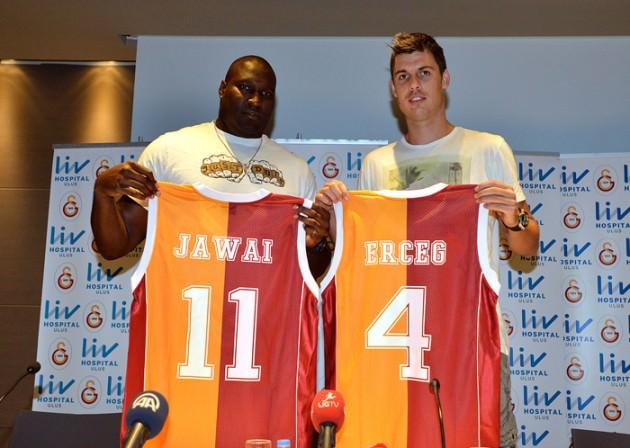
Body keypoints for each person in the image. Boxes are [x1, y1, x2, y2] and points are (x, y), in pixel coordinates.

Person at [317, 32, 540, 448]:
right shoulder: (376, 164)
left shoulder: (488, 148)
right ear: (393, 88)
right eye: (403, 77)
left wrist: (515, 216)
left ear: (445, 79)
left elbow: (528, 247)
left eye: (424, 73)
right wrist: (335, 223)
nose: (414, 85)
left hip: (474, 340)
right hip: (398, 347)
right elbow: (365, 261)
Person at [91, 55, 331, 272]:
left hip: (264, 307)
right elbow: (115, 247)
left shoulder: (296, 171)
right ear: (222, 88)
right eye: (245, 88)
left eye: (266, 94)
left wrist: (317, 245)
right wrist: (102, 192)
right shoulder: (169, 150)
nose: (256, 101)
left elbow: (309, 271)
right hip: (184, 305)